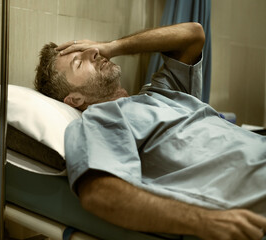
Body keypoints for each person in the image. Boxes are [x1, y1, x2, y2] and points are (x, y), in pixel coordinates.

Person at [34, 22, 266, 240]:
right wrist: (206, 221)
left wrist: (112, 46)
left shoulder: (162, 91)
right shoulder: (98, 120)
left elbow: (193, 35)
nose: (93, 53)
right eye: (78, 62)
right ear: (75, 99)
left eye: (87, 50)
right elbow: (99, 193)